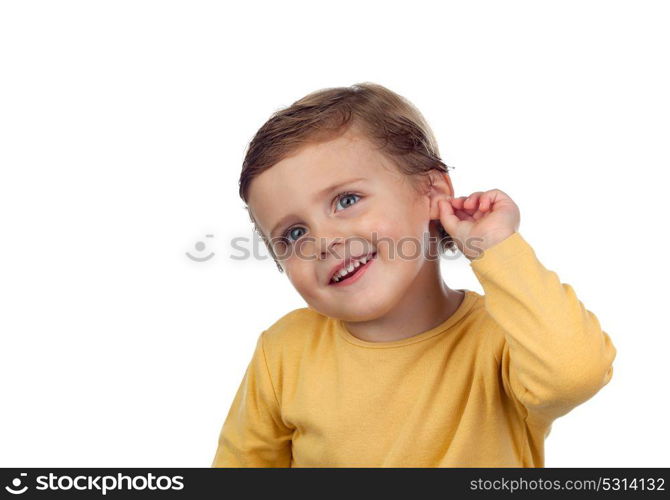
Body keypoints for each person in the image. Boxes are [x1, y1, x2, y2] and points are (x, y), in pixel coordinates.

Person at [211, 82, 617, 467]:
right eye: (294, 233)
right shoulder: (284, 352)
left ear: (433, 194)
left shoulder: (505, 340)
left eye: (346, 200)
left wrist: (494, 246)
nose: (324, 240)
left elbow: (575, 373)